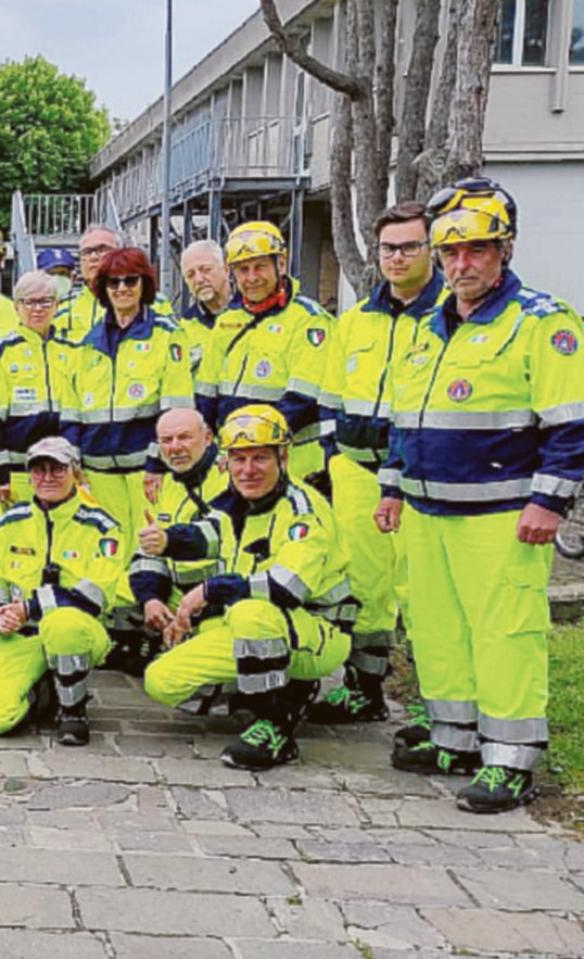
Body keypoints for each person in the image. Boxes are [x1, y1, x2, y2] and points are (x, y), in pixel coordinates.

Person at [376, 177, 584, 813]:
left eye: (477, 252)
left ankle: (510, 758)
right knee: (439, 634)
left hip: (502, 516)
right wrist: (391, 485)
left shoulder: (542, 324)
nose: (462, 266)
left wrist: (549, 502)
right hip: (427, 510)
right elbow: (404, 418)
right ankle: (455, 738)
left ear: (505, 251)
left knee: (504, 635)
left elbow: (571, 424)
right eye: (451, 254)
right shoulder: (427, 328)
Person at [140, 405, 352, 770]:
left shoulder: (302, 510)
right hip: (267, 625)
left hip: (317, 632)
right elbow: (208, 534)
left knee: (250, 612)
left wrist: (207, 591)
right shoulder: (238, 501)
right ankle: (263, 688)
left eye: (259, 458)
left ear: (283, 457)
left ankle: (275, 723)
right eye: (238, 460)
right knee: (161, 680)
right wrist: (166, 540)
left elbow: (287, 588)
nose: (247, 470)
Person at [307, 202, 443, 726]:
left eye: (410, 246)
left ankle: (440, 708)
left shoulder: (448, 316)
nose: (398, 257)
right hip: (356, 471)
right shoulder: (357, 319)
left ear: (430, 250)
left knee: (422, 591)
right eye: (389, 248)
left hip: (419, 478)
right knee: (365, 587)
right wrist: (331, 454)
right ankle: (364, 689)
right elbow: (330, 395)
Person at [63, 247, 195, 671]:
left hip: (144, 468)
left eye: (130, 281)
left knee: (150, 545)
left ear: (145, 285)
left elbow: (175, 407)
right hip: (97, 468)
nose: (122, 289)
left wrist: (158, 462)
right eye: (113, 283)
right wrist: (73, 461)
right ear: (101, 289)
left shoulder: (166, 337)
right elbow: (71, 411)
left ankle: (150, 630)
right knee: (111, 550)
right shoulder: (87, 344)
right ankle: (119, 631)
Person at [0, 437, 124, 744]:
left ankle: (73, 710)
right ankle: (41, 690)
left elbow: (95, 596)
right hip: (21, 636)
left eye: (57, 469)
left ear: (75, 473)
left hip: (78, 632)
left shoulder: (102, 527)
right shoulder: (8, 523)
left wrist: (29, 607)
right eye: (39, 470)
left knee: (61, 624)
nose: (47, 477)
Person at [197, 221, 333, 483]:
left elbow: (301, 401)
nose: (251, 278)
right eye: (242, 270)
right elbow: (205, 395)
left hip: (293, 460)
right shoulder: (227, 321)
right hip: (235, 462)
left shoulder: (310, 320)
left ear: (280, 264)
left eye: (260, 266)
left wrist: (249, 444)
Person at [129, 408, 229, 663]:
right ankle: (150, 634)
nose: (175, 447)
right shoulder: (165, 483)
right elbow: (148, 551)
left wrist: (169, 541)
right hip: (178, 593)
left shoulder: (231, 476)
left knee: (217, 642)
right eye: (167, 440)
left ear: (208, 437)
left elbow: (221, 536)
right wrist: (150, 599)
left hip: (221, 598)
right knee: (110, 589)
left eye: (184, 438)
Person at [0, 271, 69, 504]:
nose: (38, 309)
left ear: (57, 305)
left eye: (46, 301)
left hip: (64, 471)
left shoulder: (73, 351)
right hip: (19, 474)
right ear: (16, 307)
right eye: (29, 302)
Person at [53, 225, 121, 346]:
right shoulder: (59, 310)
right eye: (87, 252)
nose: (94, 257)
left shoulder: (150, 305)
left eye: (102, 249)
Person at [177, 239, 232, 373]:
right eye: (190, 275)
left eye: (206, 270)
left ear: (226, 270)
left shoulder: (255, 315)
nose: (199, 280)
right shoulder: (182, 330)